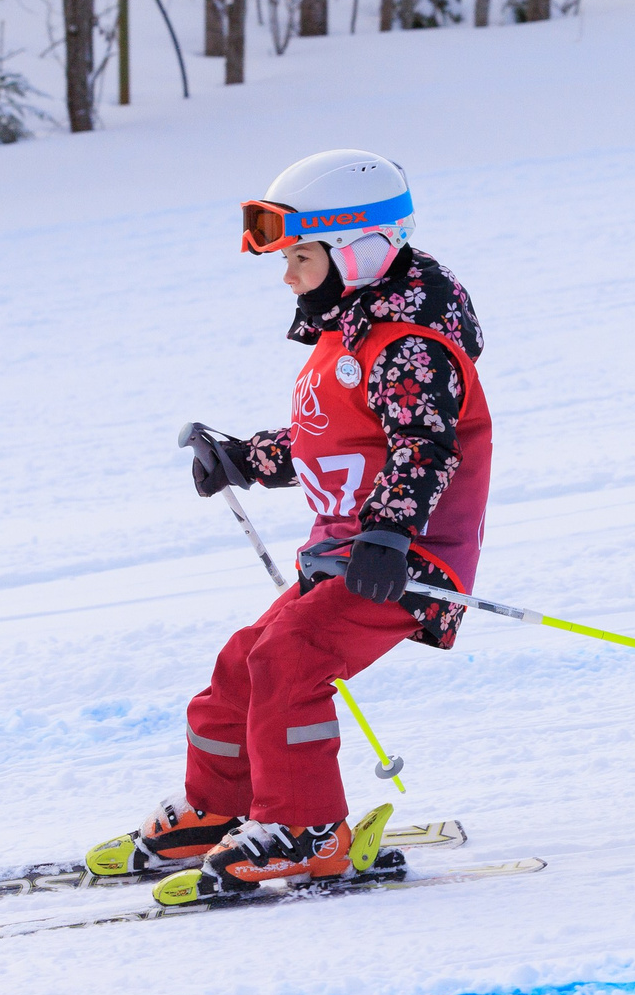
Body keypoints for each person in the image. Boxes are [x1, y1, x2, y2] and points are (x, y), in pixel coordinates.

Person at [86, 150, 494, 905]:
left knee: (289, 661)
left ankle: (307, 832)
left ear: (356, 250)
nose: (288, 277)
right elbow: (330, 438)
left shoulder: (410, 344)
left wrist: (391, 533)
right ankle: (218, 810)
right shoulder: (353, 328)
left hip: (405, 563)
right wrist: (245, 458)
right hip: (350, 554)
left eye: (300, 258)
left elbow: (423, 449)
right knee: (242, 666)